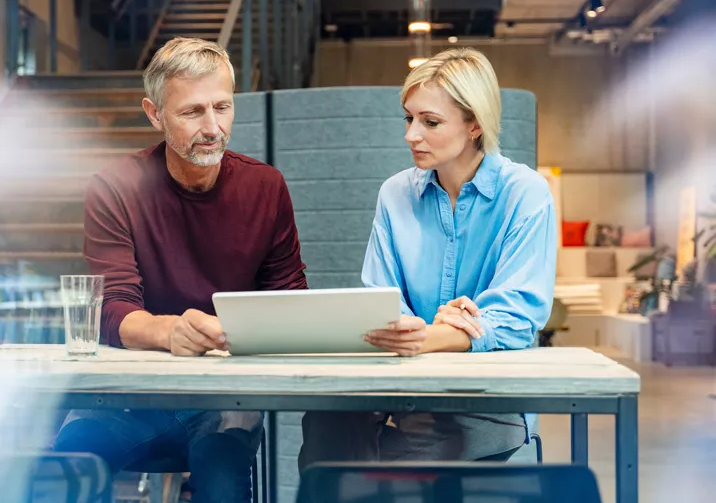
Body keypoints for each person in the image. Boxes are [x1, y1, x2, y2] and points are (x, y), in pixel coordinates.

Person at [53, 37, 308, 503]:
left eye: (223, 108)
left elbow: (289, 298)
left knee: (223, 472)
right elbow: (111, 310)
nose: (212, 127)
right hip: (130, 393)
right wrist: (171, 332)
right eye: (192, 113)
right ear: (155, 114)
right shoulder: (115, 188)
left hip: (225, 398)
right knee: (69, 464)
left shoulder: (265, 186)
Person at [299, 48, 557, 467]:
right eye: (409, 118)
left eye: (430, 122)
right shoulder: (395, 194)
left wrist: (426, 337)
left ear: (474, 124)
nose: (411, 135)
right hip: (404, 388)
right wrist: (433, 329)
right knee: (327, 426)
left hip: (490, 399)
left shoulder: (524, 194)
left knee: (379, 462)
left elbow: (515, 318)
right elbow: (384, 302)